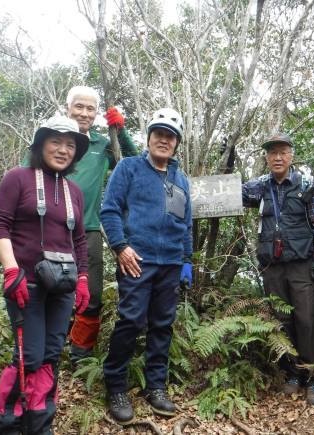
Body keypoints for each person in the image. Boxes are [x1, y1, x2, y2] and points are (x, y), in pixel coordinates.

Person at [0, 116, 91, 434]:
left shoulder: (74, 190)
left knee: (50, 356)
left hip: (62, 285)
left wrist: (84, 279)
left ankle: (40, 424)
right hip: (26, 283)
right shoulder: (17, 178)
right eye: (55, 142)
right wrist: (11, 270)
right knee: (28, 356)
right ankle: (9, 425)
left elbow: (78, 241)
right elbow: (0, 225)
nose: (63, 150)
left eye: (70, 145)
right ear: (40, 144)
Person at [100, 108, 193, 423]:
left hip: (169, 265)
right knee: (130, 322)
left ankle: (156, 387)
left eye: (170, 136)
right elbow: (110, 210)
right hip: (136, 261)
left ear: (176, 143)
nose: (164, 141)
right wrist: (120, 246)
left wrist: (186, 261)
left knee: (162, 326)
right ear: (149, 137)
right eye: (159, 134)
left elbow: (186, 224)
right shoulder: (129, 168)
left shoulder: (180, 180)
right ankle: (115, 385)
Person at [242, 133, 314, 405]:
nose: (277, 158)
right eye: (272, 153)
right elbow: (230, 192)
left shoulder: (307, 185)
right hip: (273, 266)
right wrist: (227, 163)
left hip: (302, 264)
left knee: (306, 319)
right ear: (266, 158)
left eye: (282, 152)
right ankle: (292, 374)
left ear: (291, 156)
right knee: (282, 320)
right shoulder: (260, 187)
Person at [64, 86, 139, 364]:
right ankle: (45, 346)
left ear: (96, 114)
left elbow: (132, 161)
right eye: (79, 107)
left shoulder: (99, 144)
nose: (84, 113)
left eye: (90, 108)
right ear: (68, 108)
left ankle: (80, 354)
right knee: (49, 289)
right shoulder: (51, 139)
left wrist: (120, 131)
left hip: (89, 229)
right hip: (49, 229)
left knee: (92, 293)